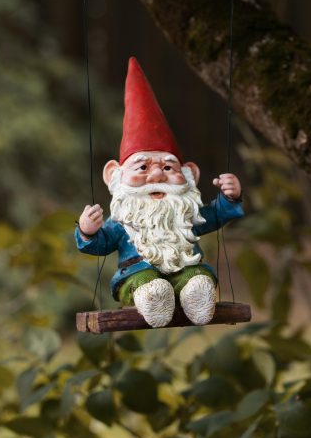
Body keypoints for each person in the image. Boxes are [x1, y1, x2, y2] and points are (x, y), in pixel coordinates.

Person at [75, 58, 243, 328]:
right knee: (148, 285)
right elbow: (100, 244)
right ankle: (153, 298)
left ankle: (197, 296)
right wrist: (87, 231)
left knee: (198, 277)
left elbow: (214, 215)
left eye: (167, 167)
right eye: (142, 167)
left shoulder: (185, 214)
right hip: (137, 275)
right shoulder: (122, 222)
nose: (155, 176)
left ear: (190, 174)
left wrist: (230, 198)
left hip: (186, 268)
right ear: (113, 174)